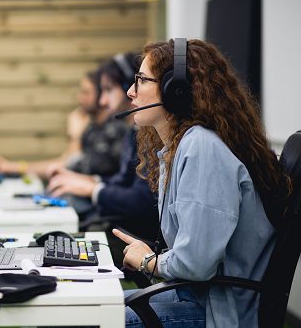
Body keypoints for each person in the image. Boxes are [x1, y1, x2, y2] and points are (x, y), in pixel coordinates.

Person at [113, 38, 290, 327]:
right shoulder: (182, 146)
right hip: (196, 297)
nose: (131, 91)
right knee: (97, 308)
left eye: (142, 80)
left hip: (217, 312)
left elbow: (196, 263)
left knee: (97, 319)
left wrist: (149, 261)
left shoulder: (201, 149)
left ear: (176, 91)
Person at [47, 53, 158, 240]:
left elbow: (140, 201)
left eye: (108, 90)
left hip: (138, 240)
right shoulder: (134, 132)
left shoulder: (148, 137)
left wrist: (93, 189)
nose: (102, 101)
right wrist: (91, 182)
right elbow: (123, 181)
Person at [0, 71, 126, 179]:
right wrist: (11, 167)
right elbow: (62, 162)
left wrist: (74, 136)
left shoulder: (114, 130)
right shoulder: (92, 127)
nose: (80, 98)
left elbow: (70, 167)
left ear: (100, 94)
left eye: (86, 92)